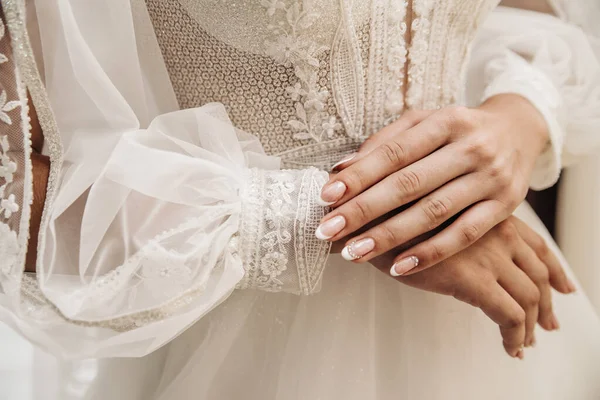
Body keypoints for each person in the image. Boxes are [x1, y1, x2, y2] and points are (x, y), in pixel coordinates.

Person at [1, 0, 600, 398]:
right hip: (246, 335)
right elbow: (11, 178)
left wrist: (516, 120)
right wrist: (320, 216)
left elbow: (535, 13)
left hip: (497, 297)